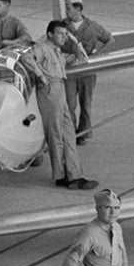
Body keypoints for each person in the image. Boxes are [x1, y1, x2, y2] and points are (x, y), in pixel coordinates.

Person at [20, 21, 95, 189]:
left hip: (60, 89)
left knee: (68, 134)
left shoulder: (57, 51)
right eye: (60, 34)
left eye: (65, 34)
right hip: (49, 91)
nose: (64, 37)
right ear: (50, 34)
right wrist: (41, 76)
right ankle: (62, 176)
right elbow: (26, 57)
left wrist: (75, 42)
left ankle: (74, 175)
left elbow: (82, 58)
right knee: (56, 135)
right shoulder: (43, 48)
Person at [62, 0, 114, 143]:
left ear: (78, 9)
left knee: (86, 104)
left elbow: (110, 39)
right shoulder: (62, 26)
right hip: (69, 71)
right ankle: (70, 133)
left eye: (69, 8)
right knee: (69, 105)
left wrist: (98, 55)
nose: (66, 11)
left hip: (87, 71)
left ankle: (83, 134)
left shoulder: (93, 26)